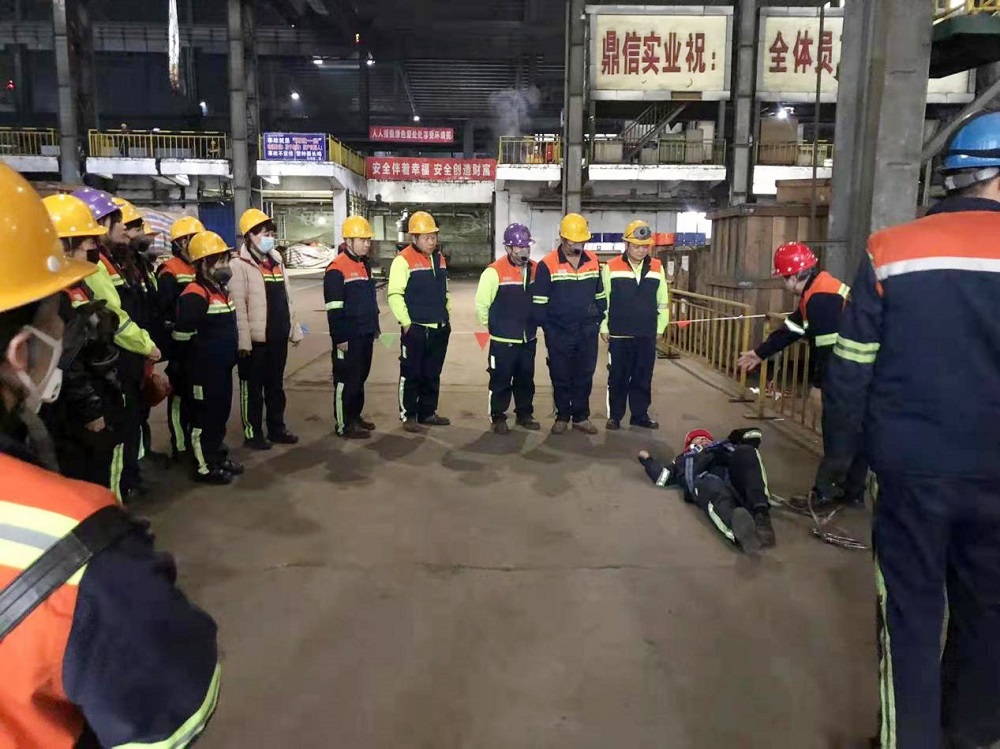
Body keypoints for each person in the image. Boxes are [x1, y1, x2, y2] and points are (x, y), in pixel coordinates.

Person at [0, 163, 220, 749]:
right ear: (22, 353)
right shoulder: (74, 540)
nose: (67, 326)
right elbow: (174, 712)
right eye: (58, 314)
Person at [822, 111, 1000, 749]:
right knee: (990, 612)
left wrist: (841, 460)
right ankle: (973, 735)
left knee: (912, 616)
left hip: (911, 471)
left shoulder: (892, 250)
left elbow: (851, 367)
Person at [735, 242, 865, 510]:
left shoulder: (821, 298)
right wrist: (759, 353)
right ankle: (851, 492)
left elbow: (827, 348)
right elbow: (791, 330)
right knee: (851, 434)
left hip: (847, 375)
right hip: (854, 371)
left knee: (839, 435)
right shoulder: (816, 290)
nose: (784, 284)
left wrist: (818, 386)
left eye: (784, 278)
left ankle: (826, 495)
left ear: (794, 276)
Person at [72, 187, 161, 502]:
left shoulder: (118, 261)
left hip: (125, 360)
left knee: (130, 425)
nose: (125, 228)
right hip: (115, 363)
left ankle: (128, 480)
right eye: (118, 221)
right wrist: (146, 345)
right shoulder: (97, 266)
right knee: (113, 439)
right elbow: (115, 317)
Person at [40, 193, 126, 499]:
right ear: (62, 245)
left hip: (93, 395)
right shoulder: (55, 298)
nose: (95, 249)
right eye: (89, 242)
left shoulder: (76, 286)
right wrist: (92, 411)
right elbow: (68, 364)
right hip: (76, 413)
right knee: (88, 482)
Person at [229, 208, 303, 450]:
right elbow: (239, 308)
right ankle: (253, 433)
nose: (269, 238)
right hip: (255, 341)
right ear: (250, 236)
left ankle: (276, 428)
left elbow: (287, 299)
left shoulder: (276, 261)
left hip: (277, 336)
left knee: (275, 387)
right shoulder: (239, 265)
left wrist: (293, 328)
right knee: (253, 390)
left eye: (271, 234)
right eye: (264, 234)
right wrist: (243, 342)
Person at [173, 231, 242, 484]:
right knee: (203, 420)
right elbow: (182, 338)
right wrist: (186, 370)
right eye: (219, 261)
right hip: (202, 372)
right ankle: (203, 466)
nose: (225, 266)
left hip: (221, 370)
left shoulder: (220, 291)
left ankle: (216, 456)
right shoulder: (195, 294)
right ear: (202, 264)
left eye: (226, 260)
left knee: (219, 416)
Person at [637, 427, 776, 553]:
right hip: (705, 481)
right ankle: (740, 532)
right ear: (689, 444)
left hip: (732, 478)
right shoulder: (683, 459)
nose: (703, 439)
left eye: (706, 438)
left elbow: (755, 435)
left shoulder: (725, 446)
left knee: (747, 451)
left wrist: (738, 436)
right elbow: (662, 477)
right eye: (698, 438)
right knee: (713, 488)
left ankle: (761, 515)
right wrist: (647, 460)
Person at [532, 213, 606, 435]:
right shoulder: (547, 264)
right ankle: (562, 416)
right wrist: (549, 328)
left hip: (587, 331)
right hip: (559, 332)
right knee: (561, 375)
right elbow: (539, 302)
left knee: (585, 374)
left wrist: (598, 318)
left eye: (582, 241)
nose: (579, 245)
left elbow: (600, 294)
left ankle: (581, 416)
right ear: (562, 239)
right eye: (574, 241)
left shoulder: (593, 261)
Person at [601, 219, 669, 431]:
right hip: (619, 334)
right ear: (626, 244)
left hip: (646, 333)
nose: (641, 250)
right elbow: (604, 300)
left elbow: (663, 301)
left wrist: (660, 327)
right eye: (637, 245)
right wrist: (604, 326)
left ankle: (640, 415)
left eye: (645, 246)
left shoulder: (657, 267)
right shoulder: (611, 267)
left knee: (643, 377)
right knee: (618, 377)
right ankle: (615, 416)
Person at [387, 210, 451, 433]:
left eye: (434, 236)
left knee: (432, 373)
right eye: (427, 237)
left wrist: (446, 315)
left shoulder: (439, 258)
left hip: (439, 327)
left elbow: (445, 290)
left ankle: (427, 412)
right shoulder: (402, 260)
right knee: (411, 373)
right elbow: (395, 295)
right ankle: (409, 414)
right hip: (416, 329)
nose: (432, 241)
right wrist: (407, 324)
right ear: (413, 237)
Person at [113, 197, 166, 466]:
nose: (138, 235)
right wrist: (145, 344)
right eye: (134, 228)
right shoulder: (110, 266)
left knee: (140, 409)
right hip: (125, 353)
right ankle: (129, 472)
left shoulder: (135, 265)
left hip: (140, 348)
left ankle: (140, 458)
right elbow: (118, 317)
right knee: (128, 416)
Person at [475, 222, 540, 435]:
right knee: (500, 380)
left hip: (528, 339)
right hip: (503, 341)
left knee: (525, 379)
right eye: (519, 247)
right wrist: (495, 327)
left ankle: (524, 414)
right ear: (508, 248)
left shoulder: (536, 270)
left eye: (526, 246)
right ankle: (498, 416)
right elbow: (482, 305)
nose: (524, 251)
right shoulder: (494, 272)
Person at [324, 215, 380, 439]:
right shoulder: (336, 269)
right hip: (348, 336)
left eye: (368, 240)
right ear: (348, 241)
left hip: (365, 332)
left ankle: (355, 417)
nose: (367, 244)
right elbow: (334, 309)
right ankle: (343, 424)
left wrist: (374, 326)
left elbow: (368, 300)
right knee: (345, 380)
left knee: (359, 378)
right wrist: (340, 338)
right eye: (363, 240)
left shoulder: (363, 264)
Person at [157, 215, 204, 462]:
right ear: (180, 243)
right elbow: (166, 312)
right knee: (178, 398)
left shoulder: (199, 266)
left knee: (196, 398)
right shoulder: (170, 271)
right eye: (192, 239)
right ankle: (180, 446)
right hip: (180, 345)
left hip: (198, 345)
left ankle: (196, 440)